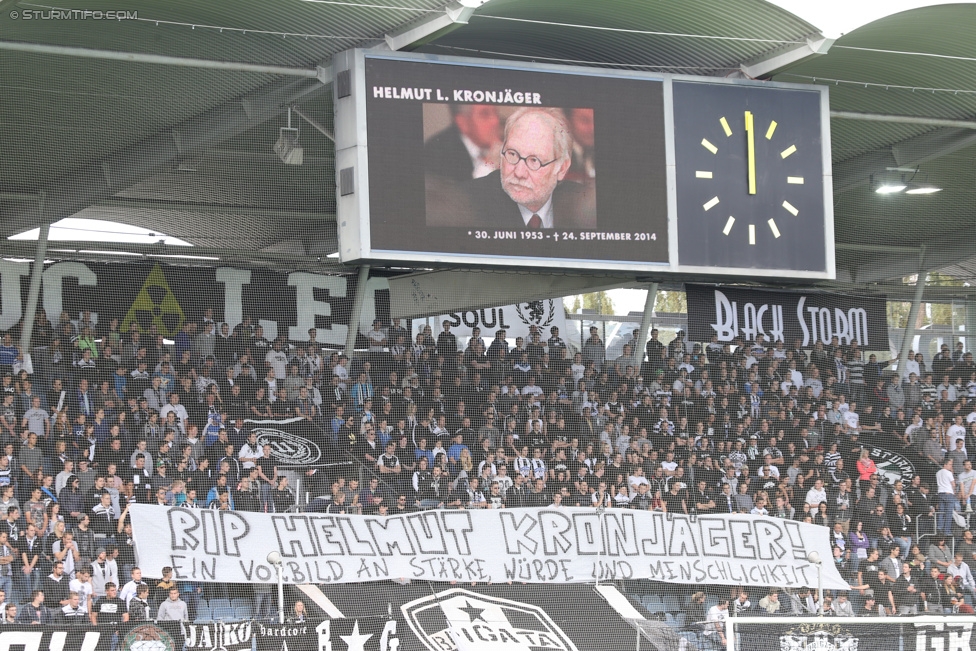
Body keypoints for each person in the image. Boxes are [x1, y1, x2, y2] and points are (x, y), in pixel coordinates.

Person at [463, 107, 594, 230]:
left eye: (534, 160)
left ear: (561, 168)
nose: (519, 173)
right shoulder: (469, 204)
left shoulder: (584, 207)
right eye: (512, 154)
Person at [424, 104, 502, 182]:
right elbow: (461, 192)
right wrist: (488, 166)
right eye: (485, 114)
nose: (495, 121)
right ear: (463, 123)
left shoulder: (500, 144)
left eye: (496, 113)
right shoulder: (436, 154)